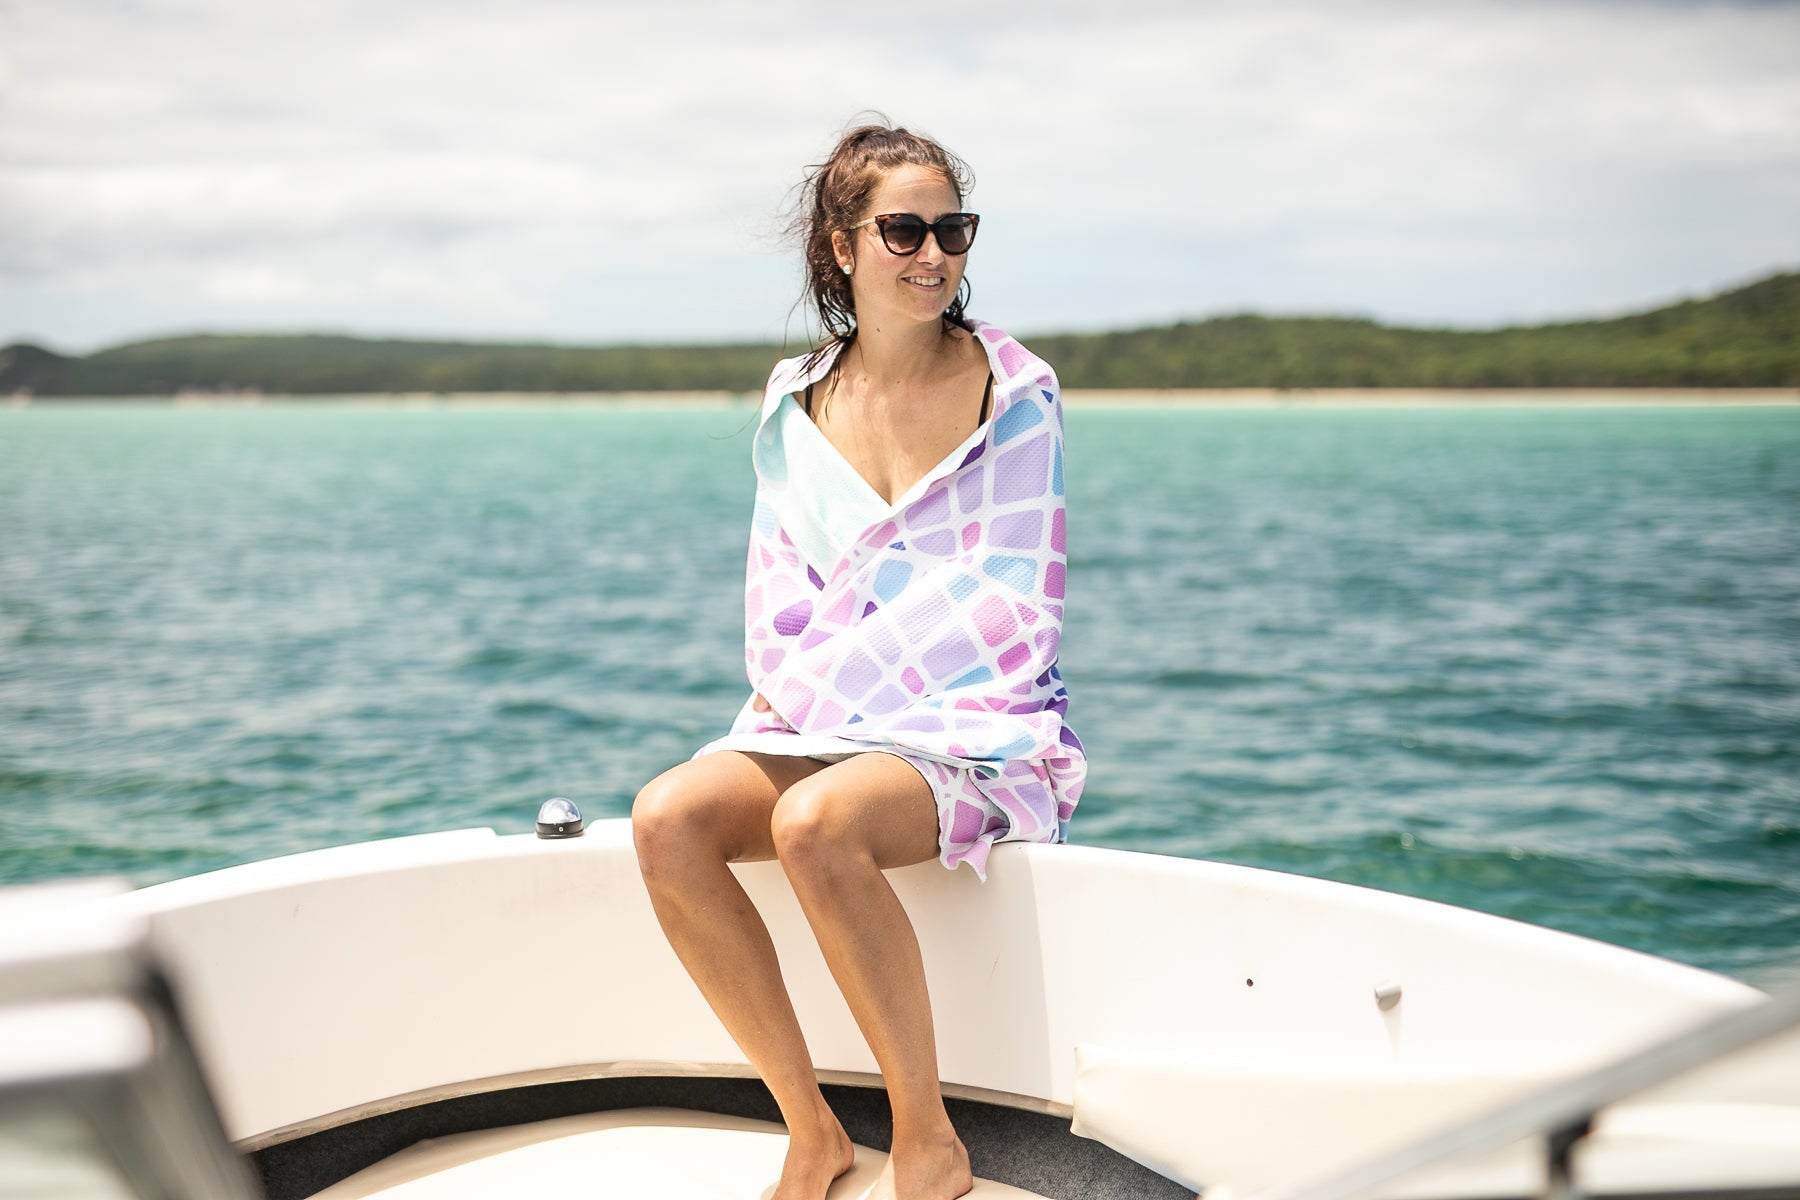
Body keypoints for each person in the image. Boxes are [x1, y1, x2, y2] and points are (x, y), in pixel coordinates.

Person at [632, 119, 1084, 1200]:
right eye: (905, 231)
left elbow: (1015, 605)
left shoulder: (1014, 390)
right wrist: (794, 708)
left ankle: (926, 1139)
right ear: (843, 248)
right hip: (822, 714)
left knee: (817, 821)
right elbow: (778, 594)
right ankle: (813, 1127)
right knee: (667, 820)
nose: (934, 254)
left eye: (953, 230)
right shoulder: (795, 399)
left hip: (979, 727)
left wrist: (853, 695)